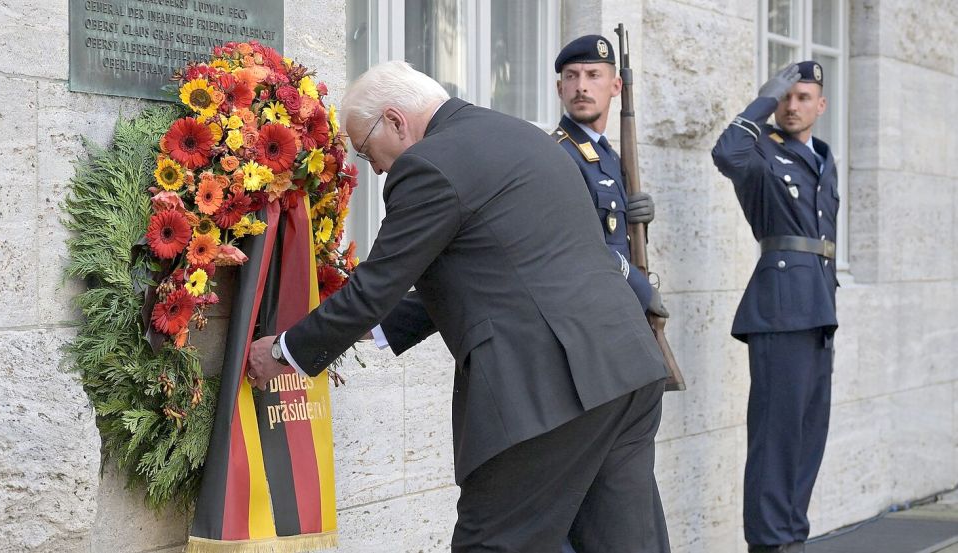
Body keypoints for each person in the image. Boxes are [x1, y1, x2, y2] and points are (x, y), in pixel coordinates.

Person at [247, 60, 671, 552]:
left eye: (367, 152)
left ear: (396, 121)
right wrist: (370, 328)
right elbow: (498, 273)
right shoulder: (522, 137)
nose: (377, 168)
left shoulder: (429, 164)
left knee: (491, 543)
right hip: (626, 368)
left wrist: (283, 353)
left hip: (548, 387)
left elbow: (375, 286)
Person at [712, 61, 839, 553]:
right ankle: (770, 543)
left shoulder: (823, 159)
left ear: (820, 105)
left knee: (808, 436)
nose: (792, 105)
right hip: (782, 308)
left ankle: (792, 537)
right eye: (786, 97)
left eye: (803, 97)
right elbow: (727, 153)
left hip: (819, 309)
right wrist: (761, 101)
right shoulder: (762, 150)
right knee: (775, 438)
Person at [553, 34, 666, 318]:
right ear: (559, 88)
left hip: (615, 305)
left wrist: (638, 218)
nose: (581, 87)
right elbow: (581, 244)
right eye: (571, 76)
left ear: (616, 86)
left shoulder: (609, 157)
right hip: (582, 311)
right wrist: (642, 289)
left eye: (593, 75)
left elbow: (613, 233)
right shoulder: (557, 154)